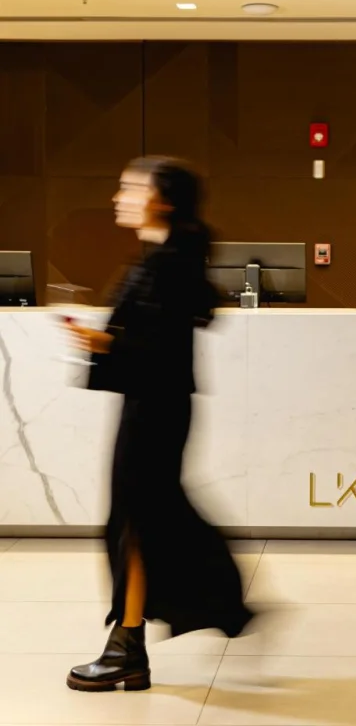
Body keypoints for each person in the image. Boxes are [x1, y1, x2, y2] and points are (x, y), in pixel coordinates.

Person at [64, 156, 254, 692]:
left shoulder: (170, 264)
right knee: (139, 523)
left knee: (136, 525)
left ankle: (128, 647)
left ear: (163, 200)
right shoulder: (165, 259)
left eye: (131, 188)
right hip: (153, 405)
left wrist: (105, 344)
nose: (118, 197)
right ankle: (131, 643)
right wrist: (105, 343)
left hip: (156, 407)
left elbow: (160, 349)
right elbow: (158, 338)